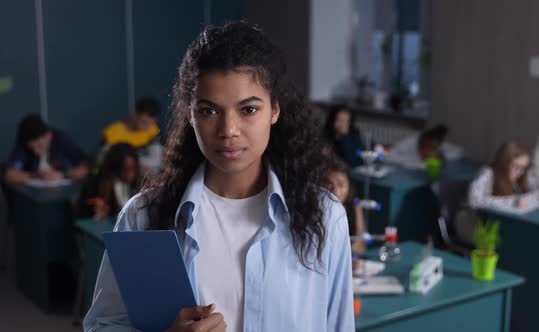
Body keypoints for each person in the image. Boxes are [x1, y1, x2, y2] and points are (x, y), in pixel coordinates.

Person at [84, 22, 354, 332]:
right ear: (190, 115)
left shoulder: (324, 215)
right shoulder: (143, 215)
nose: (228, 131)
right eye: (209, 111)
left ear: (274, 110)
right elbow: (103, 325)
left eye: (249, 109)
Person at [4, 114, 88, 184]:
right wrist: (38, 176)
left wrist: (64, 174)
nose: (36, 151)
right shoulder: (23, 145)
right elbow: (10, 175)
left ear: (48, 136)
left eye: (40, 146)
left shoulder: (60, 139)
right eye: (32, 147)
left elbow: (85, 166)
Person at [468, 142, 539, 211]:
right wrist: (511, 202)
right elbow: (474, 201)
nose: (521, 172)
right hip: (489, 221)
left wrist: (526, 199)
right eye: (516, 167)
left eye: (524, 168)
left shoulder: (524, 174)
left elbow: (538, 192)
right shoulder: (488, 174)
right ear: (503, 164)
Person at [101, 97, 163, 174]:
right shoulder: (112, 133)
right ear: (135, 115)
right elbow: (102, 160)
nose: (148, 127)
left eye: (152, 123)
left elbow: (157, 162)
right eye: (144, 122)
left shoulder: (153, 130)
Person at [78, 143, 140, 220]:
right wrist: (97, 215)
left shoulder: (138, 184)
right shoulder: (96, 185)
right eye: (126, 170)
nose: (130, 174)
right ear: (115, 168)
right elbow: (83, 212)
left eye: (133, 169)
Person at [323, 157, 366, 255]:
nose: (336, 191)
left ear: (349, 186)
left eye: (341, 185)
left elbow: (360, 245)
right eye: (330, 185)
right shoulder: (319, 210)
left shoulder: (355, 205)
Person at [388, 124, 463, 169]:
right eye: (428, 152)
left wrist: (443, 156)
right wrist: (418, 164)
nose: (430, 155)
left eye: (434, 150)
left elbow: (459, 151)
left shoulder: (436, 144)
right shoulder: (409, 143)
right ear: (422, 146)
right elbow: (389, 156)